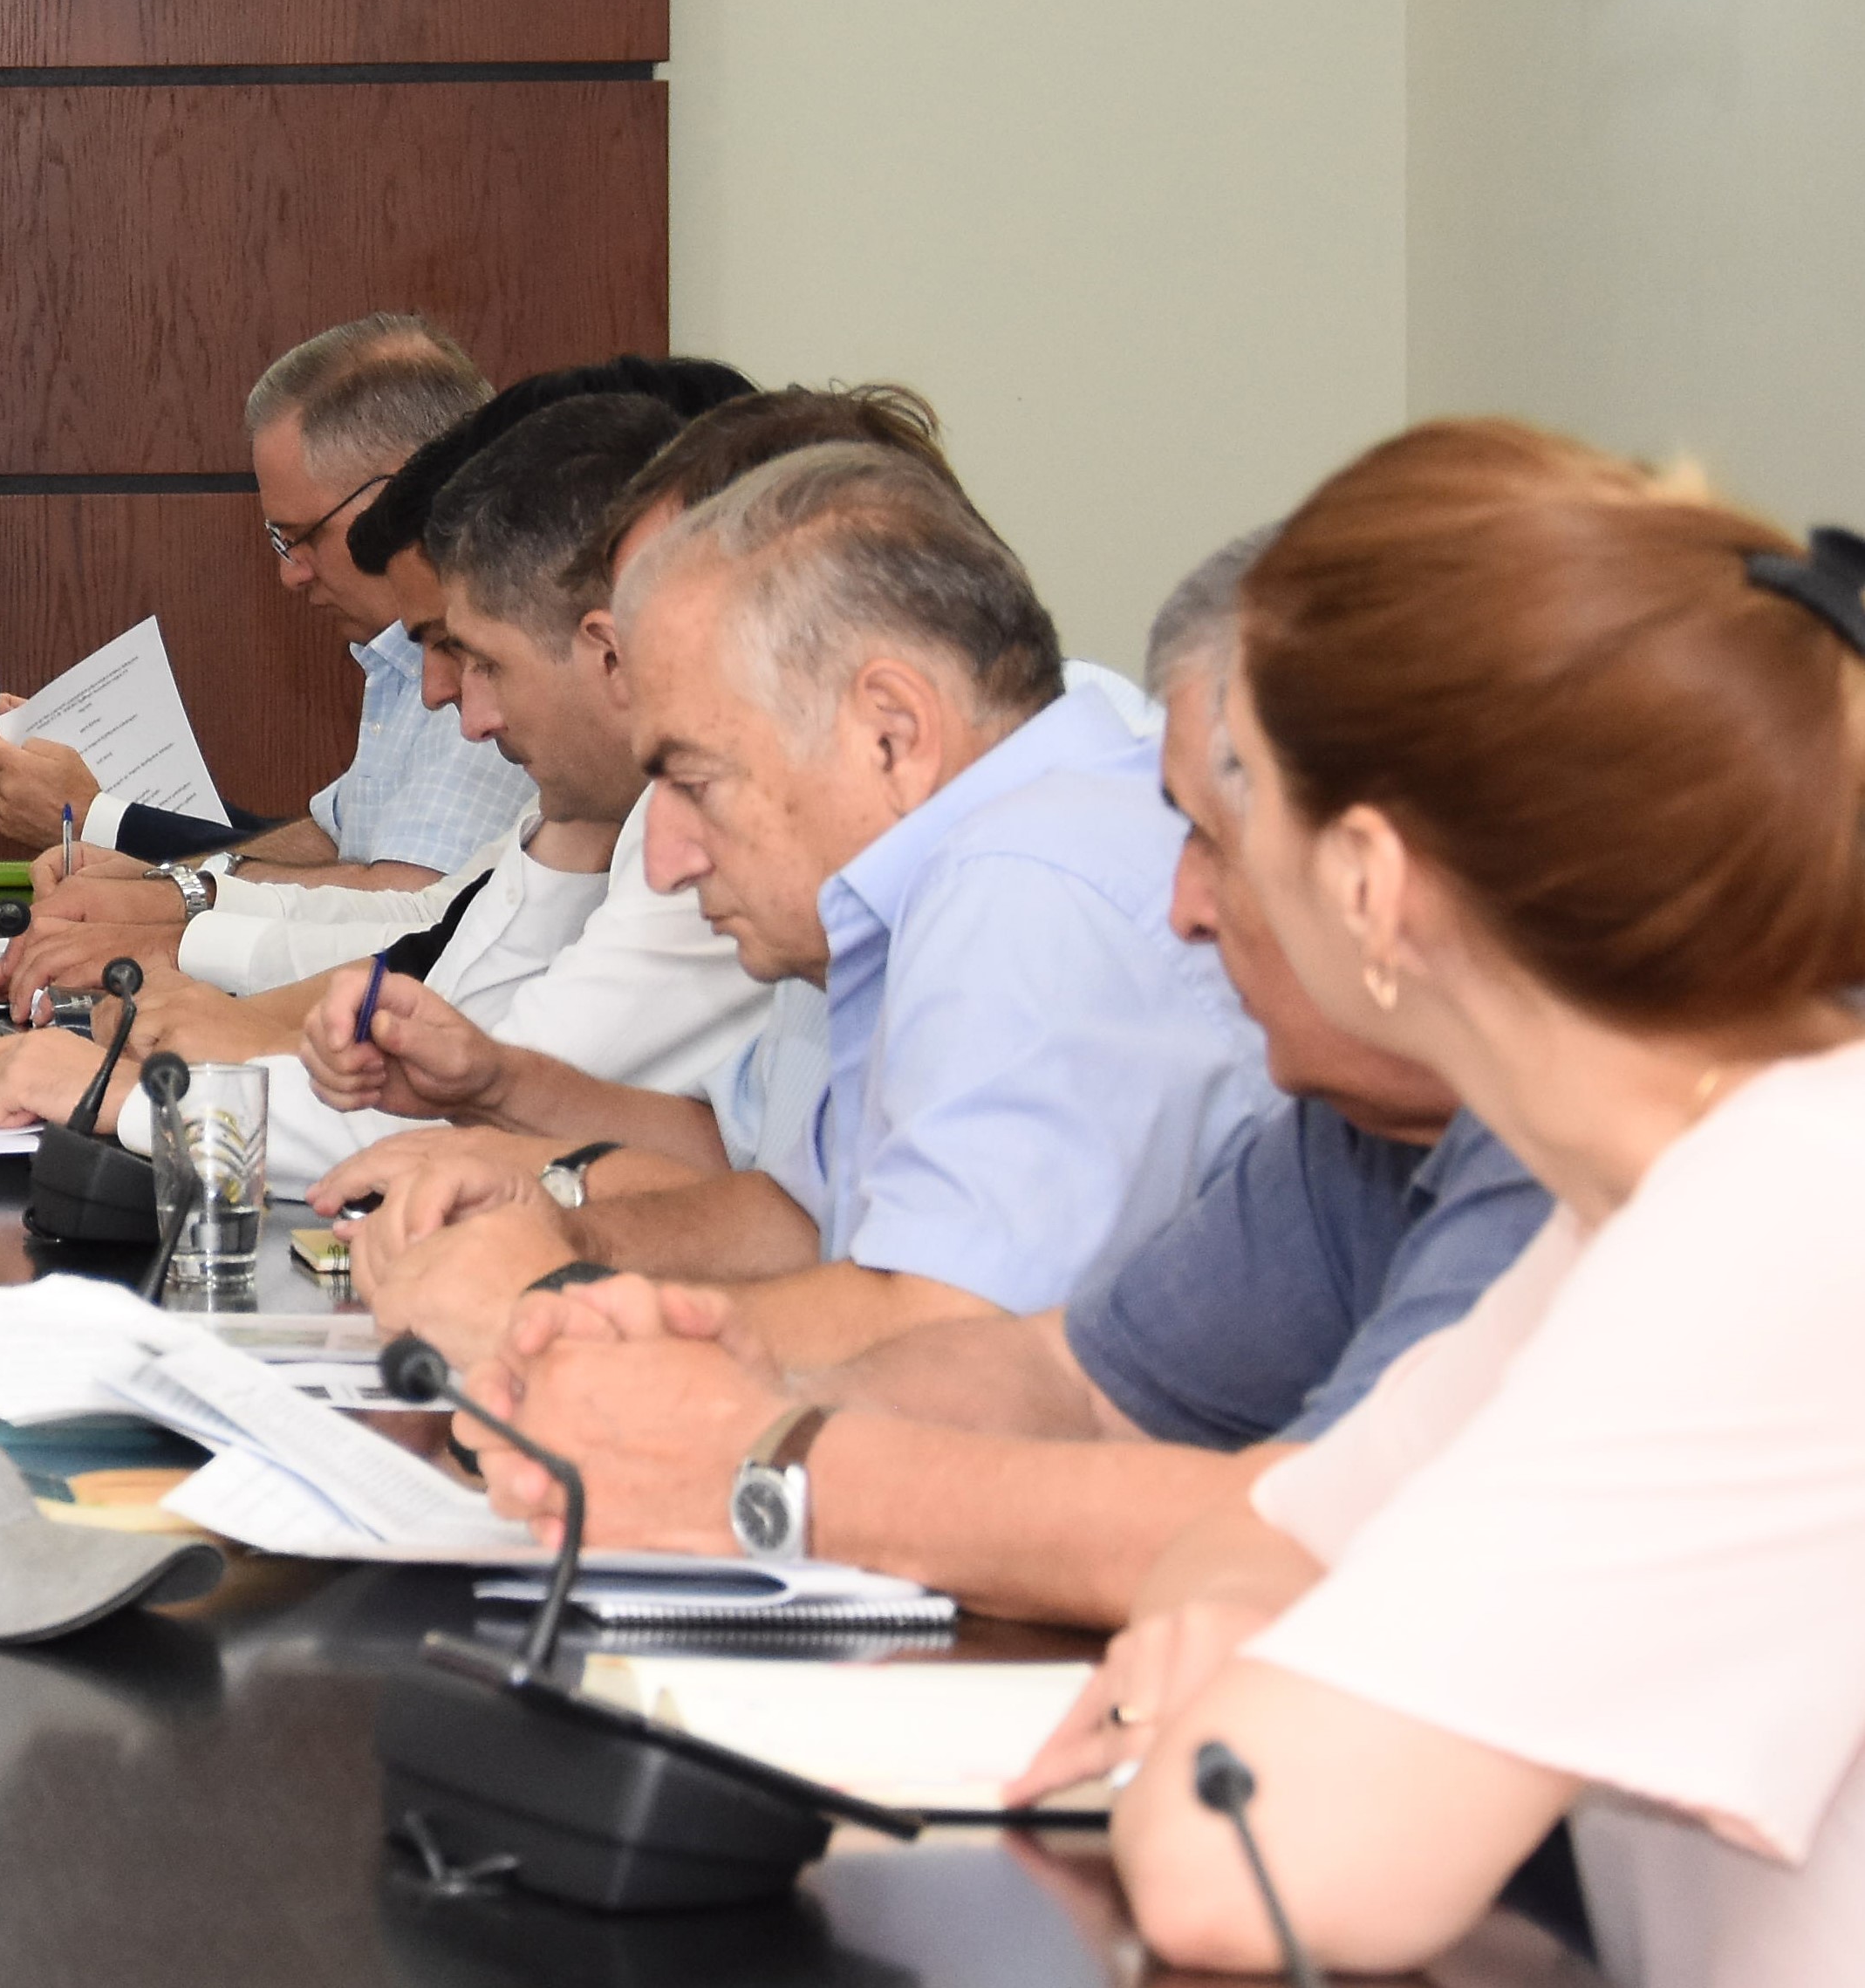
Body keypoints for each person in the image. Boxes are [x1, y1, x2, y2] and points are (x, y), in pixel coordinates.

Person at [1006, 422, 1865, 1984]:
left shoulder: (1784, 1209)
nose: (1192, 887)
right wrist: (1228, 1635)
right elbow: (1252, 1532)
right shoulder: (1637, 1193)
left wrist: (1225, 1692)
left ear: (1370, 881)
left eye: (1238, 795)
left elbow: (1238, 1863)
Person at [442, 522, 1548, 1626]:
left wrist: (765, 1464)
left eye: (1209, 840)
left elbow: (1326, 1544)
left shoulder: (1564, 1140)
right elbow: (1073, 1380)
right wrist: (745, 1399)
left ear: (1377, 874)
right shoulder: (1356, 1125)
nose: (1180, 907)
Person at [341, 442, 1273, 1371]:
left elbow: (950, 1341)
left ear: (891, 734)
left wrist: (547, 1305)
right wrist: (562, 1235)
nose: (666, 864)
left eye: (696, 782)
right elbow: (801, 1221)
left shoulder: (1030, 885)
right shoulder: (942, 873)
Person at [0, 393, 707, 1161]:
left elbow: (494, 1111)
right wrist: (194, 947)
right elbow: (448, 961)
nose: (455, 704)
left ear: (610, 651)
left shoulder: (682, 834)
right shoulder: (593, 808)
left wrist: (144, 1093)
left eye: (477, 658)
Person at [0, 311, 528, 891]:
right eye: (278, 540)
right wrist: (126, 835)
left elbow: (405, 900)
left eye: (303, 535)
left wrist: (122, 846)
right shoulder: (396, 659)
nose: (291, 574)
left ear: (398, 498)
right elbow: (333, 843)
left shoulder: (492, 662)